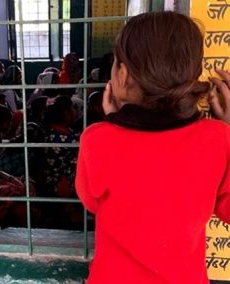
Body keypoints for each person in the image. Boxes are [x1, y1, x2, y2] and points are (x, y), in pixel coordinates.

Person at [75, 11, 230, 284]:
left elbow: (91, 201)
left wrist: (113, 123)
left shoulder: (97, 139)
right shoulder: (219, 139)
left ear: (122, 74)